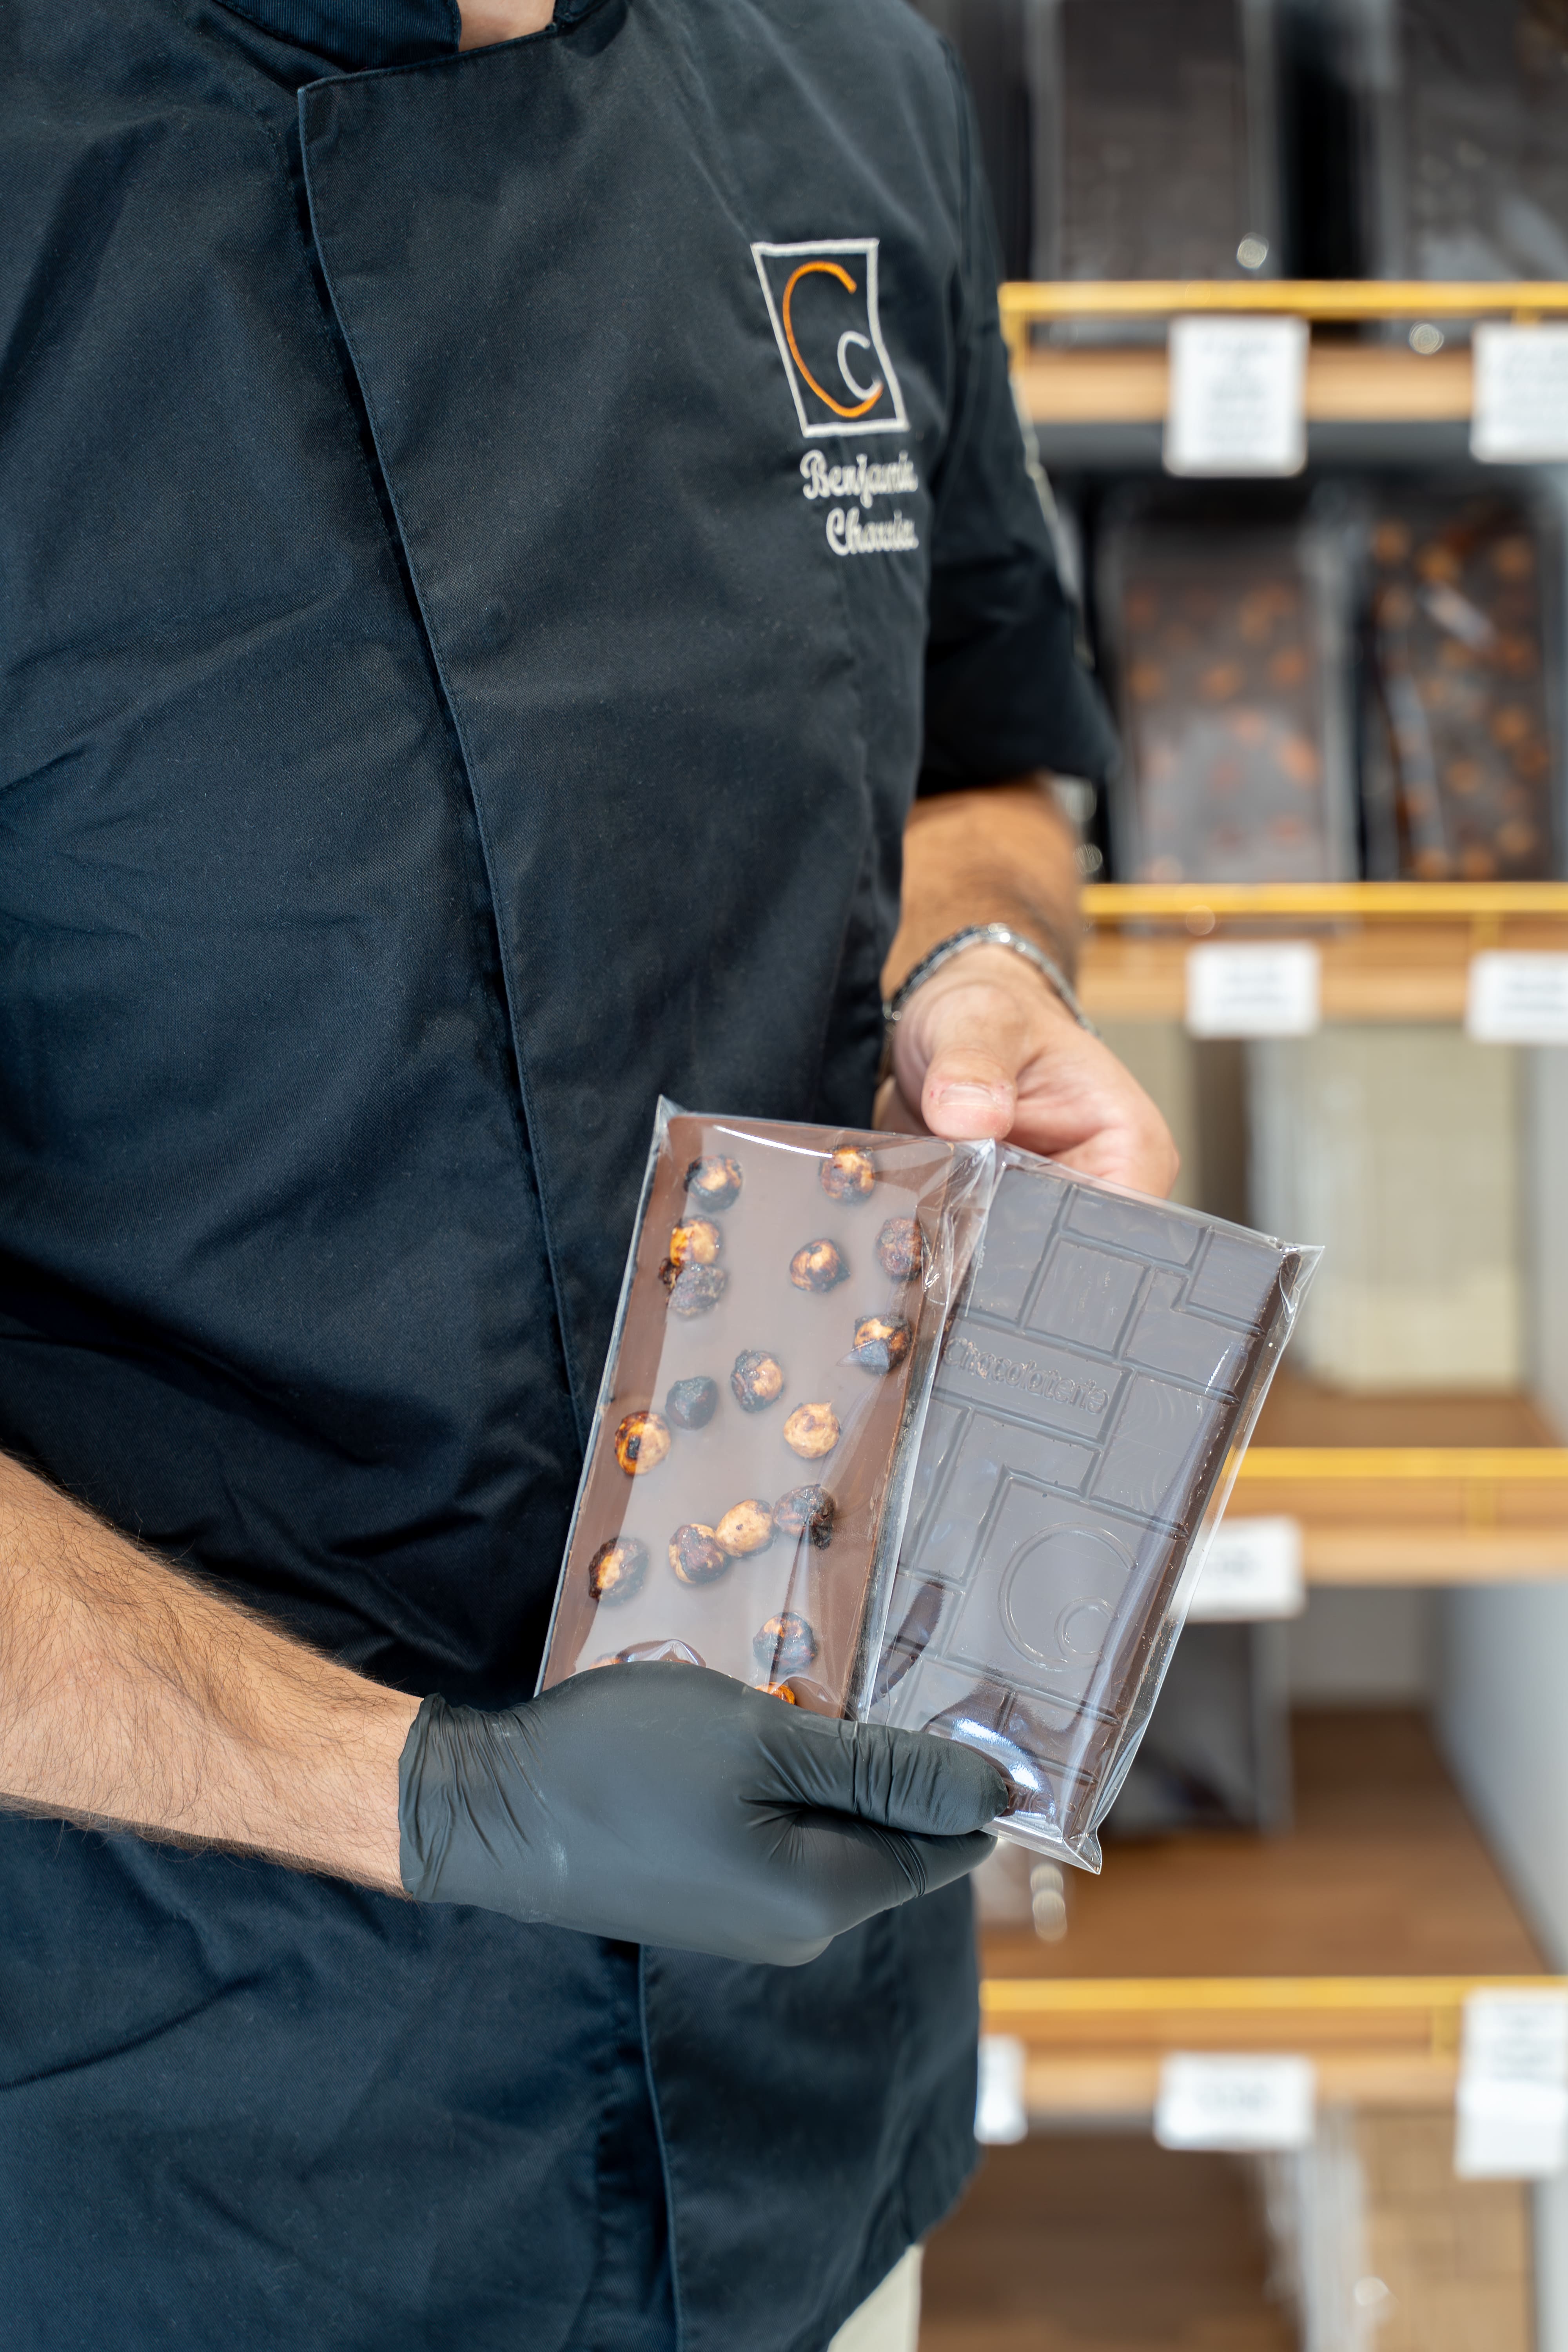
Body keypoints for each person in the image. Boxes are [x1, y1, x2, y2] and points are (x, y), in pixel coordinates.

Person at [0, 0, 1176, 2344]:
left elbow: (988, 751)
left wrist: (977, 967)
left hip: (812, 2126)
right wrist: (436, 1804)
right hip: (167, 2147)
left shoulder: (847, 83)